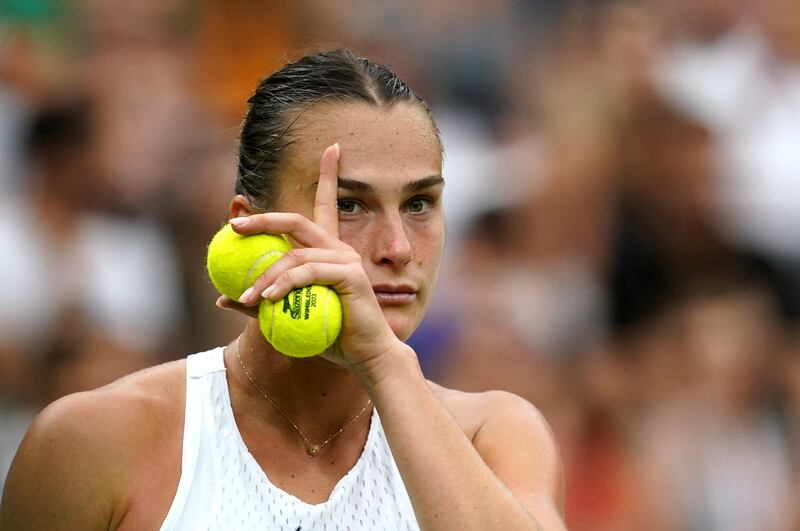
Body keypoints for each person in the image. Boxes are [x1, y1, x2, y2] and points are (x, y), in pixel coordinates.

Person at [0, 49, 565, 530]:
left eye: (419, 204)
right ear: (251, 228)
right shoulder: (93, 440)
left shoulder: (496, 434)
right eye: (350, 205)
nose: (397, 247)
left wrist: (385, 366)